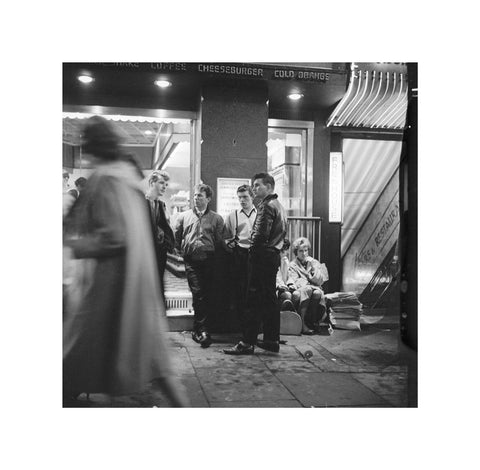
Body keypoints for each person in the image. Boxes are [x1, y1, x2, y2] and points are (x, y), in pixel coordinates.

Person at [63, 115, 188, 407]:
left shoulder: (105, 180)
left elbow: (114, 236)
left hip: (110, 287)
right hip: (135, 285)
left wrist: (74, 244)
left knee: (86, 353)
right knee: (156, 362)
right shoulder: (127, 179)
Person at [224, 172, 287, 355]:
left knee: (252, 301)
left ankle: (247, 343)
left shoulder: (266, 206)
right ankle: (271, 340)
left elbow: (259, 235)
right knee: (270, 300)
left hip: (261, 258)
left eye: (258, 185)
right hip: (272, 257)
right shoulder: (279, 206)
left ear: (269, 186)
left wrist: (252, 252)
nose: (255, 188)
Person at [174, 183, 224, 348]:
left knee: (208, 293)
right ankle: (201, 330)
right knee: (198, 292)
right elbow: (177, 236)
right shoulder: (183, 216)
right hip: (192, 260)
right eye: (195, 195)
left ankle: (201, 328)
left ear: (208, 199)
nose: (196, 198)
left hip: (210, 260)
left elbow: (219, 240)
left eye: (200, 196)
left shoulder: (217, 219)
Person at [223, 184, 257, 332]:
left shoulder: (259, 214)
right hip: (239, 255)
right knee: (240, 290)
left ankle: (254, 327)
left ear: (252, 197)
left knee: (254, 291)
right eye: (240, 198)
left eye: (245, 197)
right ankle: (241, 327)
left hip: (255, 255)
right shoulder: (233, 215)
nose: (242, 200)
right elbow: (226, 237)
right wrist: (230, 244)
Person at [289, 237, 328, 334]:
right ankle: (302, 323)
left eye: (306, 250)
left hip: (313, 287)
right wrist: (309, 281)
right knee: (308, 290)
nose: (304, 253)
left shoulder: (314, 262)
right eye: (301, 251)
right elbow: (295, 280)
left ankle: (313, 321)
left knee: (318, 293)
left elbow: (320, 281)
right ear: (296, 252)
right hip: (301, 288)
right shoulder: (293, 265)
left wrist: (314, 268)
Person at [145, 170, 175, 297]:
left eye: (166, 184)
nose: (164, 187)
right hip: (144, 254)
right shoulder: (141, 202)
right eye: (161, 183)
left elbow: (163, 226)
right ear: (152, 183)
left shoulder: (161, 205)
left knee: (157, 287)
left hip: (159, 253)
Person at [276, 238, 298, 311]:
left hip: (285, 288)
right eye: (284, 250)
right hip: (275, 289)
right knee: (287, 295)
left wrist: (290, 284)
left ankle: (292, 316)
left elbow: (289, 275)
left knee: (296, 295)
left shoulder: (285, 260)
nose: (287, 252)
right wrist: (279, 286)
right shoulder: (272, 259)